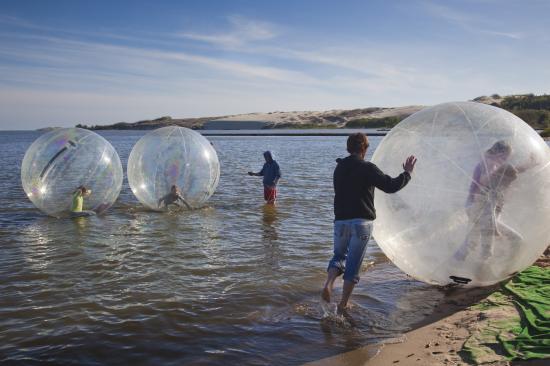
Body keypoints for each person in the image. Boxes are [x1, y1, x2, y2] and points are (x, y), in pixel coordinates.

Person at [322, 133, 416, 314]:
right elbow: (391, 186)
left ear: (348, 148)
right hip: (361, 223)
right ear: (364, 149)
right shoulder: (367, 168)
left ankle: (329, 283)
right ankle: (343, 304)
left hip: (340, 221)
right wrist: (407, 173)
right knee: (353, 265)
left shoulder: (339, 168)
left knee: (338, 256)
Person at [454, 140, 535, 261]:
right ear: (500, 153)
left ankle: (457, 262)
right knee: (486, 246)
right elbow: (486, 181)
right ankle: (482, 269)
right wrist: (495, 228)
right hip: (479, 208)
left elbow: (510, 171)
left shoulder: (493, 163)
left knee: (470, 242)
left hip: (477, 207)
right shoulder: (490, 164)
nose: (507, 159)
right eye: (506, 156)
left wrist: (529, 164)